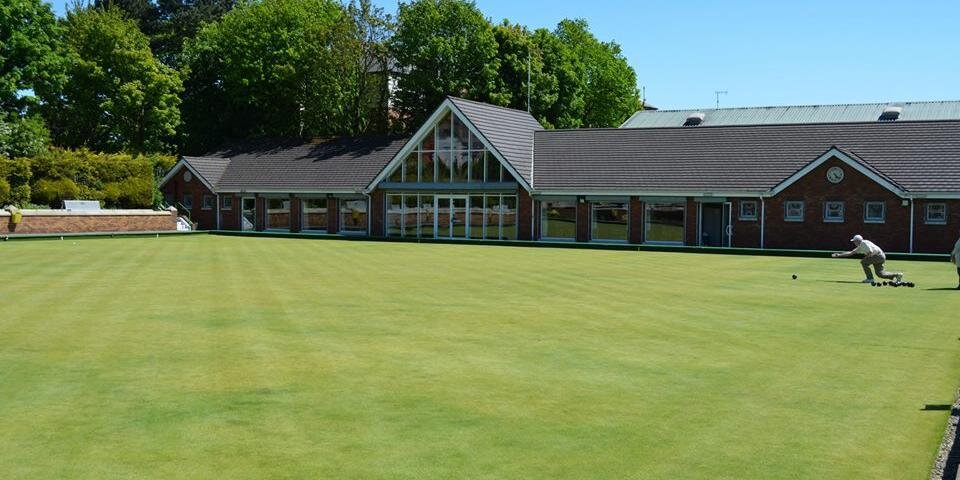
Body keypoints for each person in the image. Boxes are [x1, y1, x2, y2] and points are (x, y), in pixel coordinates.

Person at [831, 234, 903, 284]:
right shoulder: (861, 246)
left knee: (863, 262)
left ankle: (870, 279)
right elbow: (851, 253)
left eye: (854, 241)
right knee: (880, 274)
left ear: (857, 241)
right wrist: (839, 255)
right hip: (880, 256)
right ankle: (897, 275)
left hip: (878, 256)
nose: (854, 243)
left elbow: (871, 251)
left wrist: (866, 257)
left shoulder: (864, 243)